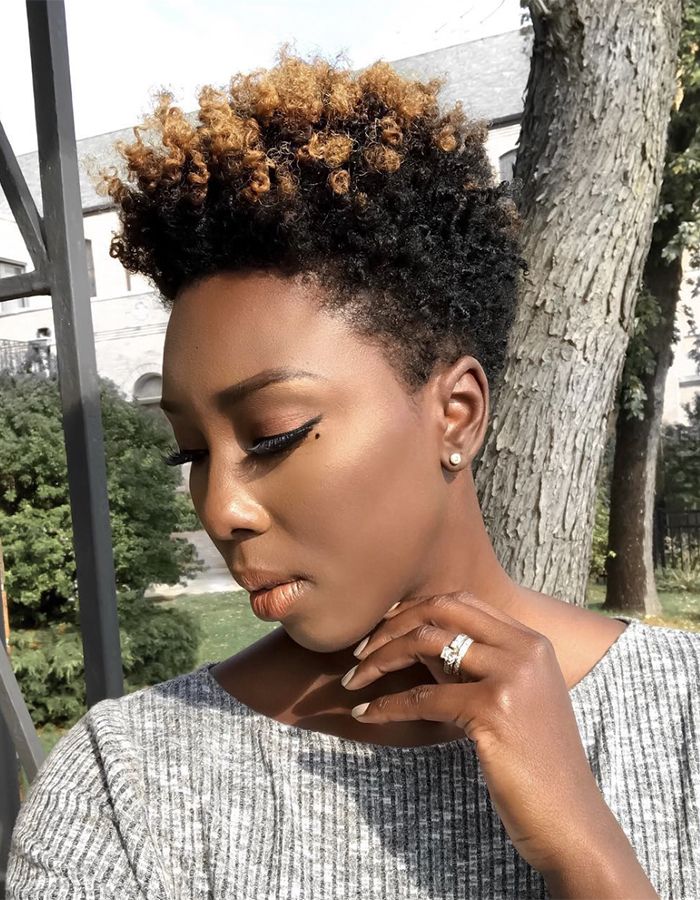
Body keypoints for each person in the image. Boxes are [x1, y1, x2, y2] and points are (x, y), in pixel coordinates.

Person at [7, 50, 699, 899]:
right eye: (191, 452)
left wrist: (586, 851)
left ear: (457, 413)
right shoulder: (128, 790)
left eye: (273, 435)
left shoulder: (684, 721)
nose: (219, 507)